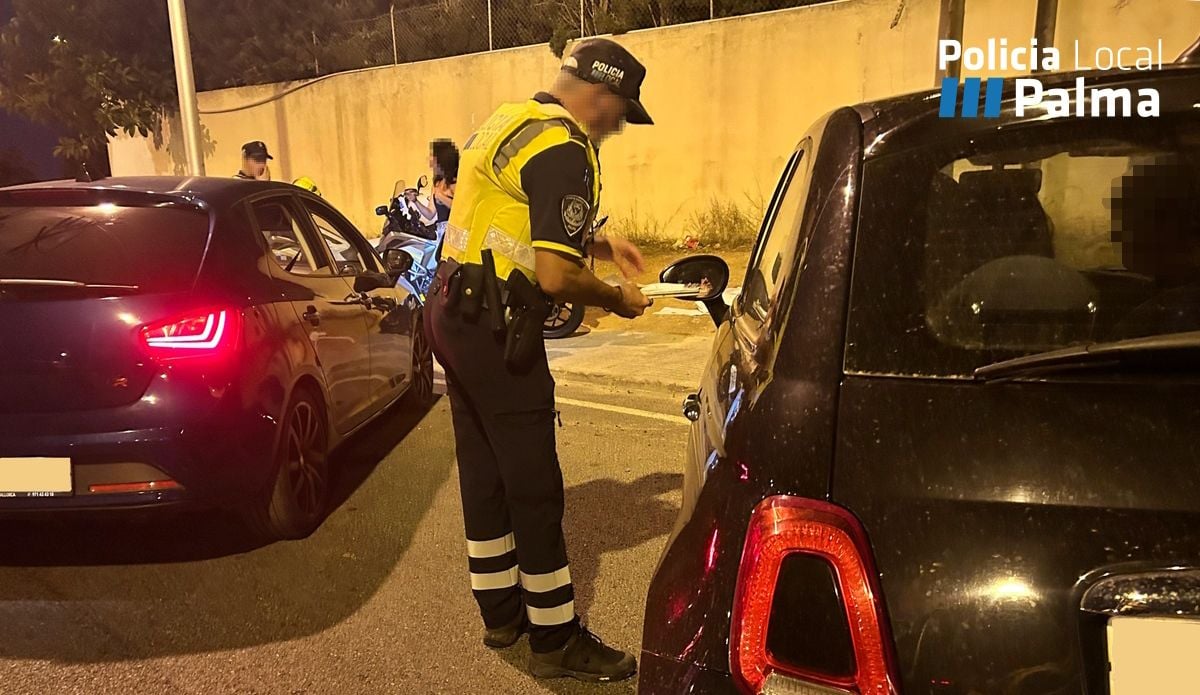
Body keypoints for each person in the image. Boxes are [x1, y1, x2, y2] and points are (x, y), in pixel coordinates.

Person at [425, 38, 653, 683]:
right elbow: (553, 275)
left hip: (450, 310)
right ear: (600, 95)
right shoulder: (565, 147)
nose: (617, 128)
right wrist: (616, 298)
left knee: (483, 469)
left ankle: (500, 615)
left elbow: (511, 214)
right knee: (534, 485)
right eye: (621, 112)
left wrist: (602, 241)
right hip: (498, 328)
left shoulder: (513, 119)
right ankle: (554, 639)